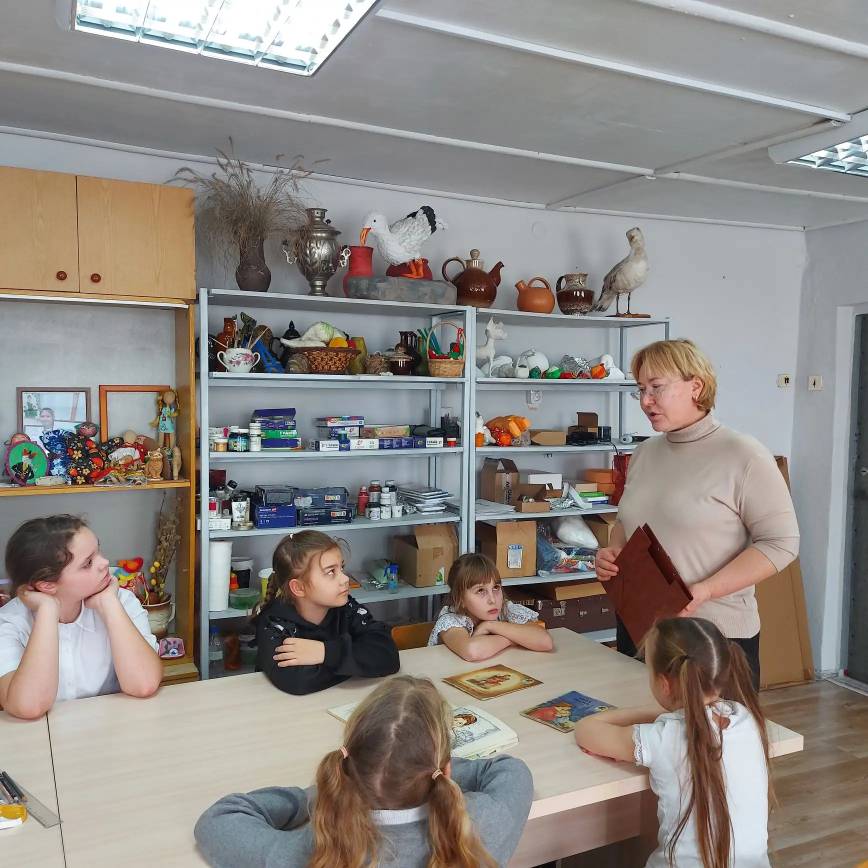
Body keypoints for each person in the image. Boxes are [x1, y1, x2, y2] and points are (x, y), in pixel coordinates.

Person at [595, 339, 799, 687]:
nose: (646, 401)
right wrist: (612, 553)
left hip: (712, 639)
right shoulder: (644, 453)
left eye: (657, 387)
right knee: (642, 723)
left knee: (713, 726)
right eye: (641, 390)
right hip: (642, 630)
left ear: (696, 387)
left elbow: (781, 544)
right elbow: (627, 525)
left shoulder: (744, 455)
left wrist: (706, 589)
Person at [194, 675, 534, 868]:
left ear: (344, 768)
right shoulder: (483, 825)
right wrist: (432, 774)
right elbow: (511, 771)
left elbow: (218, 821)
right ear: (444, 768)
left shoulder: (311, 851)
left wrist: (310, 797)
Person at [574, 617, 772, 868]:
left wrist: (647, 714)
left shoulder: (665, 736)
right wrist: (668, 715)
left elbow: (586, 730)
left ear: (664, 685)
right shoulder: (745, 718)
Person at [0, 515, 162, 719]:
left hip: (115, 727)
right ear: (47, 585)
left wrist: (108, 603)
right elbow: (29, 706)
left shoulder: (121, 601)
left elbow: (144, 684)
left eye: (98, 551)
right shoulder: (9, 621)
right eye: (88, 563)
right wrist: (47, 611)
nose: (105, 562)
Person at [253, 530, 399, 696]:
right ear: (299, 588)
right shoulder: (273, 623)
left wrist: (324, 652)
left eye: (341, 568)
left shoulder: (346, 608)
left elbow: (387, 655)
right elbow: (297, 681)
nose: (345, 579)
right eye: (331, 572)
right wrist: (355, 663)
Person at [428, 553, 553, 660]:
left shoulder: (505, 609)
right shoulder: (450, 619)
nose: (492, 600)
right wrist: (515, 639)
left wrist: (490, 625)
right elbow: (472, 651)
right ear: (460, 599)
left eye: (496, 588)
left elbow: (545, 641)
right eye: (480, 590)